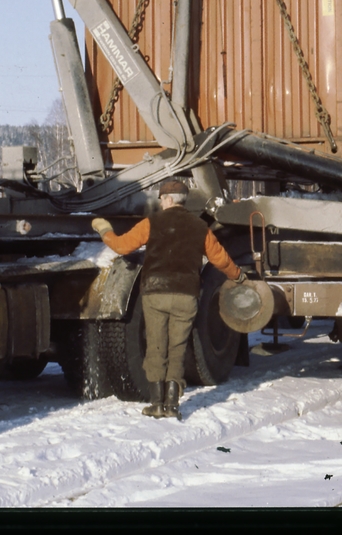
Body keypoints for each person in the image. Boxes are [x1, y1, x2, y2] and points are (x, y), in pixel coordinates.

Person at [91, 180, 246, 420]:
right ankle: (173, 404)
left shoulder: (151, 223)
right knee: (177, 347)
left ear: (169, 199)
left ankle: (157, 403)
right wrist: (237, 276)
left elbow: (122, 246)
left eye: (162, 199)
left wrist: (104, 229)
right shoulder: (200, 227)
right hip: (186, 295)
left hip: (156, 294)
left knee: (156, 345)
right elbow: (220, 259)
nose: (161, 203)